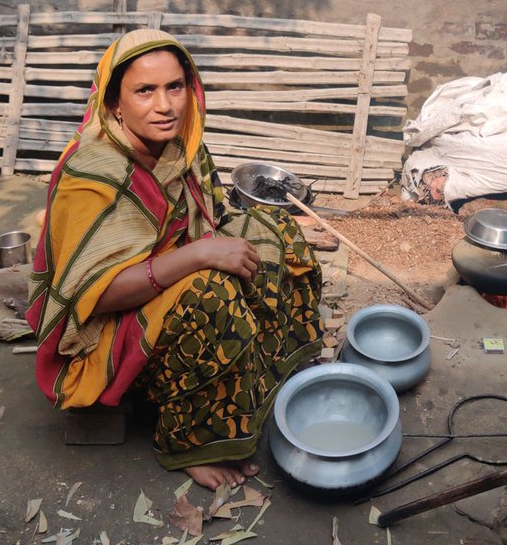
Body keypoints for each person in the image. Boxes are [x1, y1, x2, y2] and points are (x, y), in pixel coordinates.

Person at [26, 29, 324, 490]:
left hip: (160, 280)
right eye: (144, 91)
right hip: (104, 331)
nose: (164, 105)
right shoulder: (92, 176)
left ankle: (261, 375)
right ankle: (190, 440)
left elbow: (208, 217)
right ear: (114, 104)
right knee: (213, 291)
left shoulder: (180, 147)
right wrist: (201, 254)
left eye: (174, 87)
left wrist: (216, 244)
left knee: (275, 233)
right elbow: (96, 295)